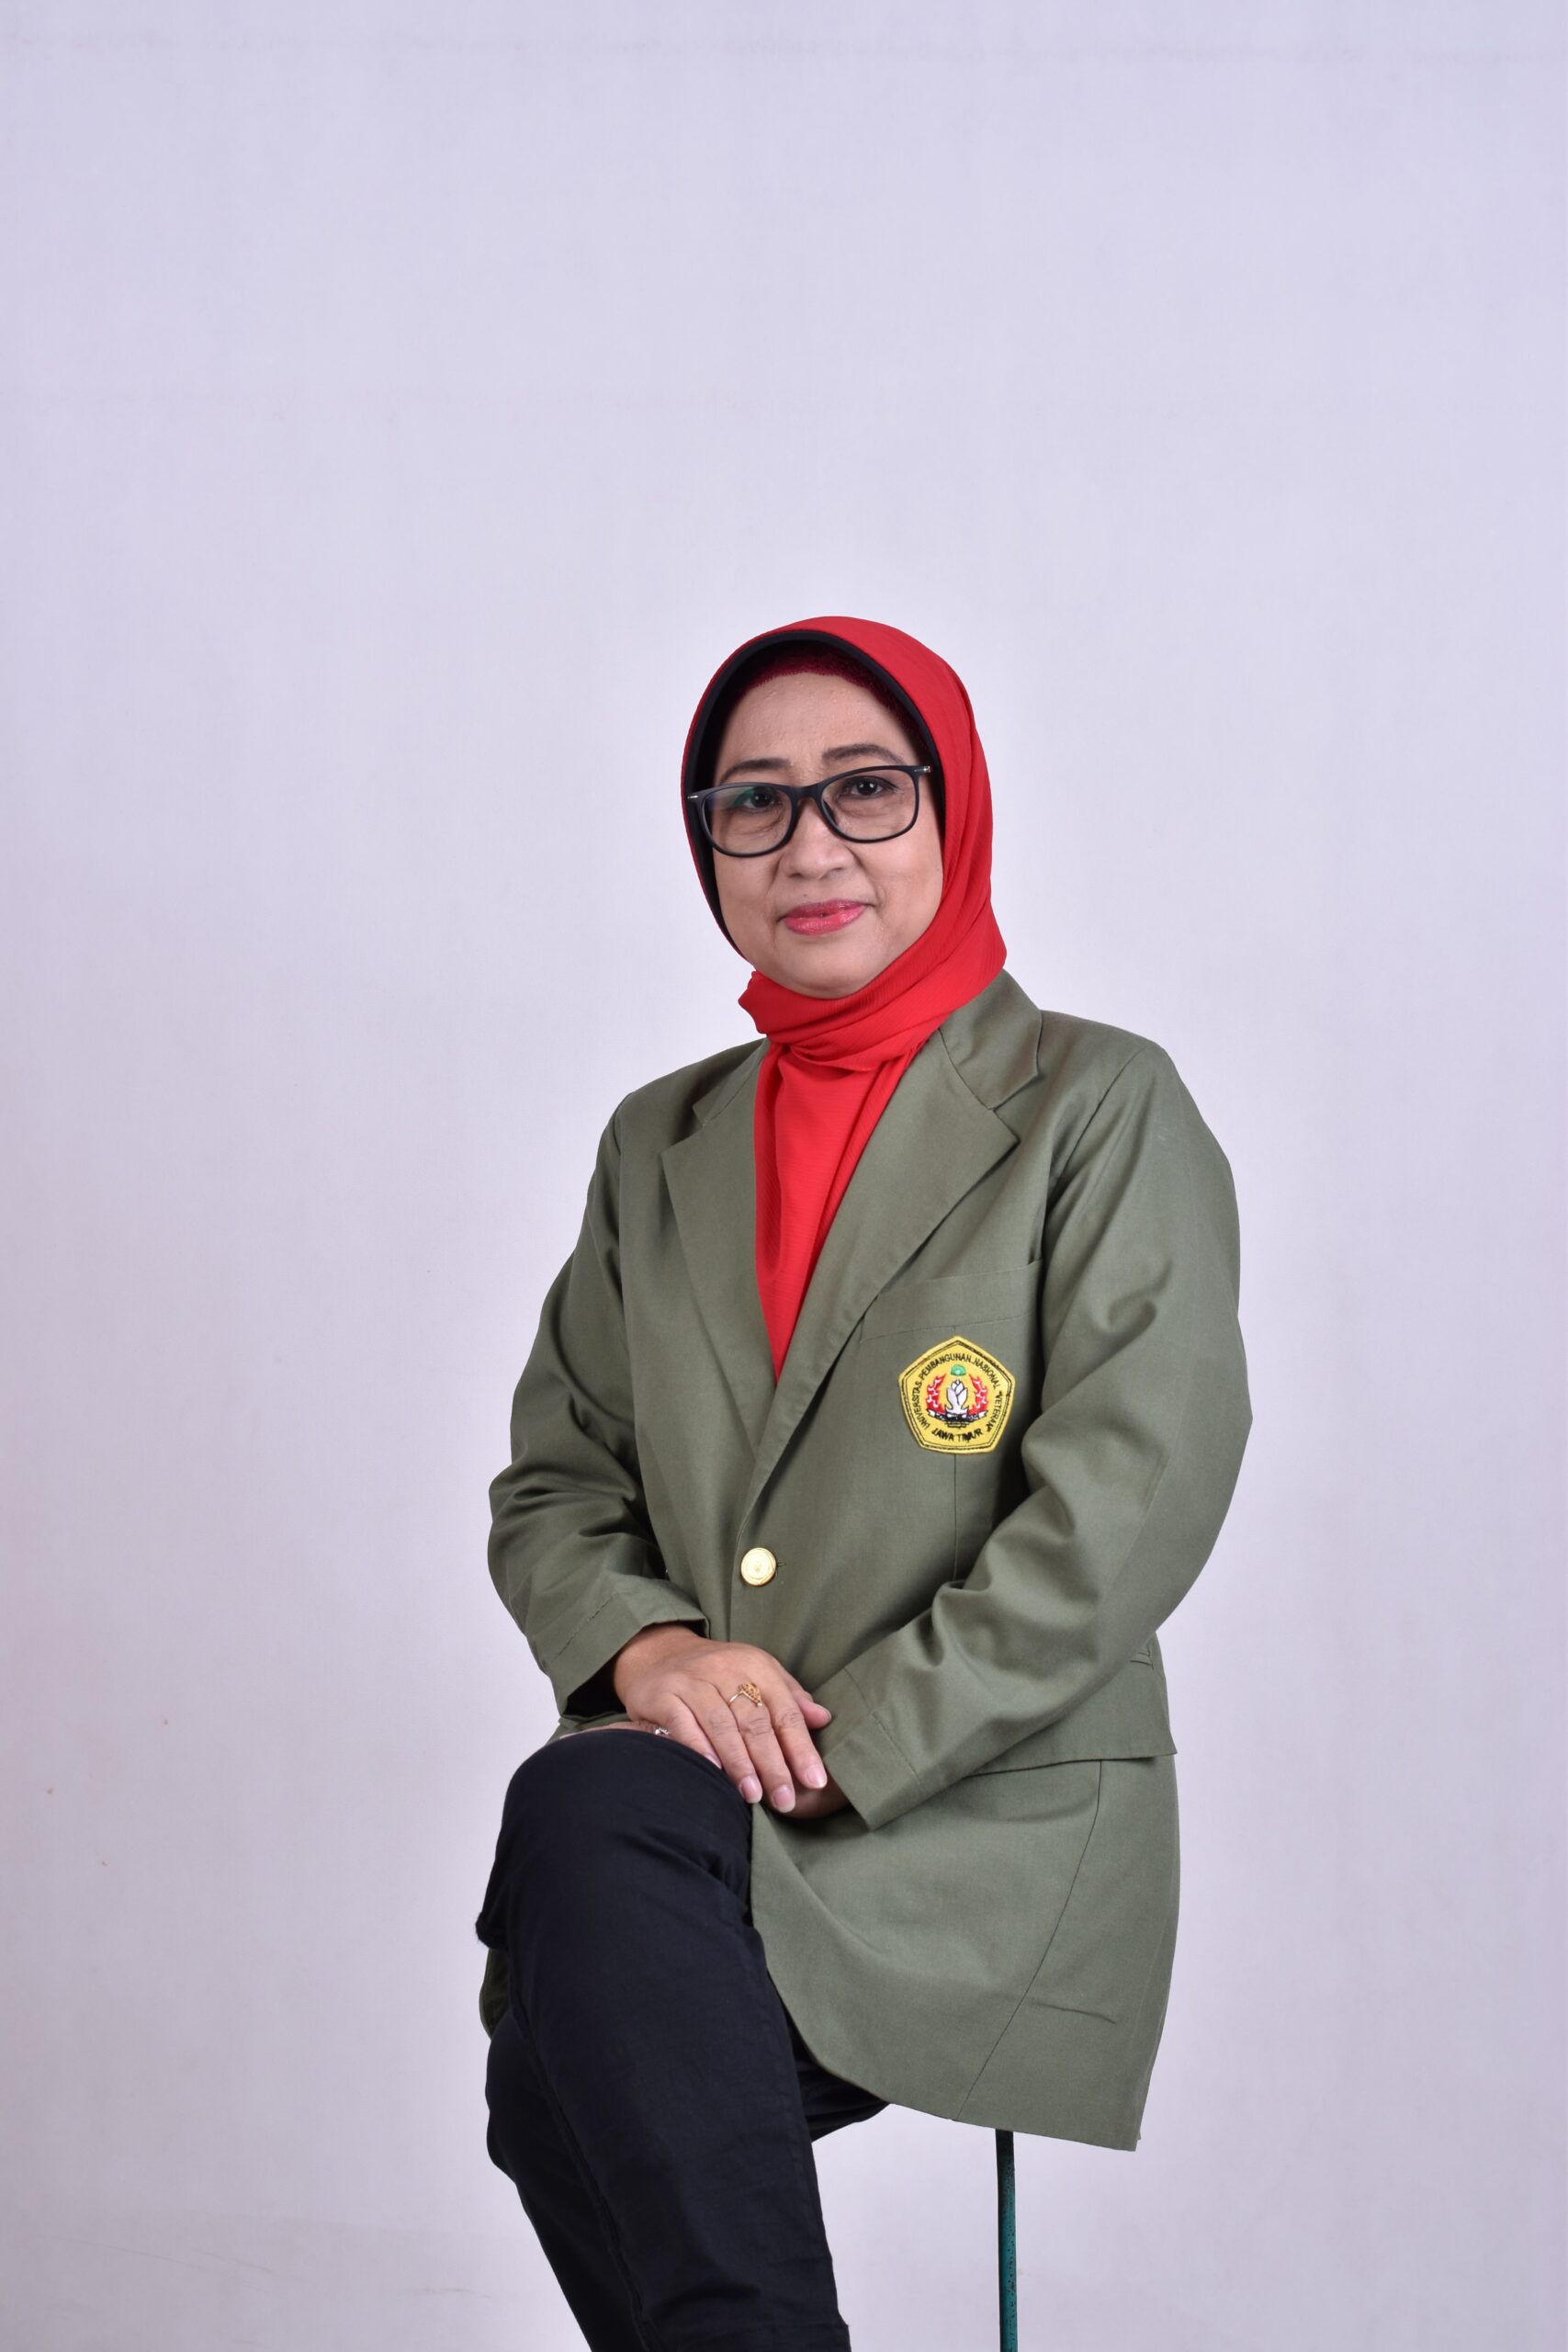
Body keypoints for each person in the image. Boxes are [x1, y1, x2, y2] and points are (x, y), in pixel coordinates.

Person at [473, 614, 1254, 2350]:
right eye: (753, 802)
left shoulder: (1098, 1105)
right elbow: (556, 1486)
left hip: (974, 1819)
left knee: (570, 1963)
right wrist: (654, 1656)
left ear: (952, 808)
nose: (809, 845)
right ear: (705, 844)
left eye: (865, 790)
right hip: (690, 1824)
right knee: (562, 2007)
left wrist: (835, 1745)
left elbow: (1127, 1508)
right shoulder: (658, 1139)